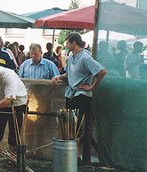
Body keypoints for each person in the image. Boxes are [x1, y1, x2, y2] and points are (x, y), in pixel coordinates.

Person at [52, 32, 107, 165]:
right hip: (71, 94)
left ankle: (76, 158)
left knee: (74, 127)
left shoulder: (85, 57)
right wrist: (59, 77)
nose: (65, 45)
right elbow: (69, 74)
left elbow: (102, 71)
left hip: (81, 95)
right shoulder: (72, 57)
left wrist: (92, 87)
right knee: (69, 125)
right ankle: (73, 157)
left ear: (74, 43)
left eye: (67, 42)